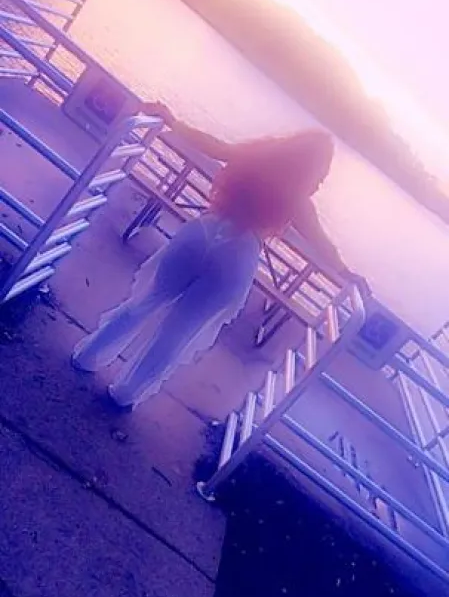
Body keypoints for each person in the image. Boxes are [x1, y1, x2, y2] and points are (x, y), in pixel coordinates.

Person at [71, 103, 367, 411]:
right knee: (178, 332)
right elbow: (321, 242)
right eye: (321, 175)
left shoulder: (255, 156)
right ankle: (125, 393)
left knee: (145, 301)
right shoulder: (298, 201)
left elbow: (212, 146)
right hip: (237, 258)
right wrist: (346, 273)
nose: (319, 183)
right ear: (310, 170)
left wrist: (172, 121)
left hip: (201, 233)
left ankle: (88, 356)